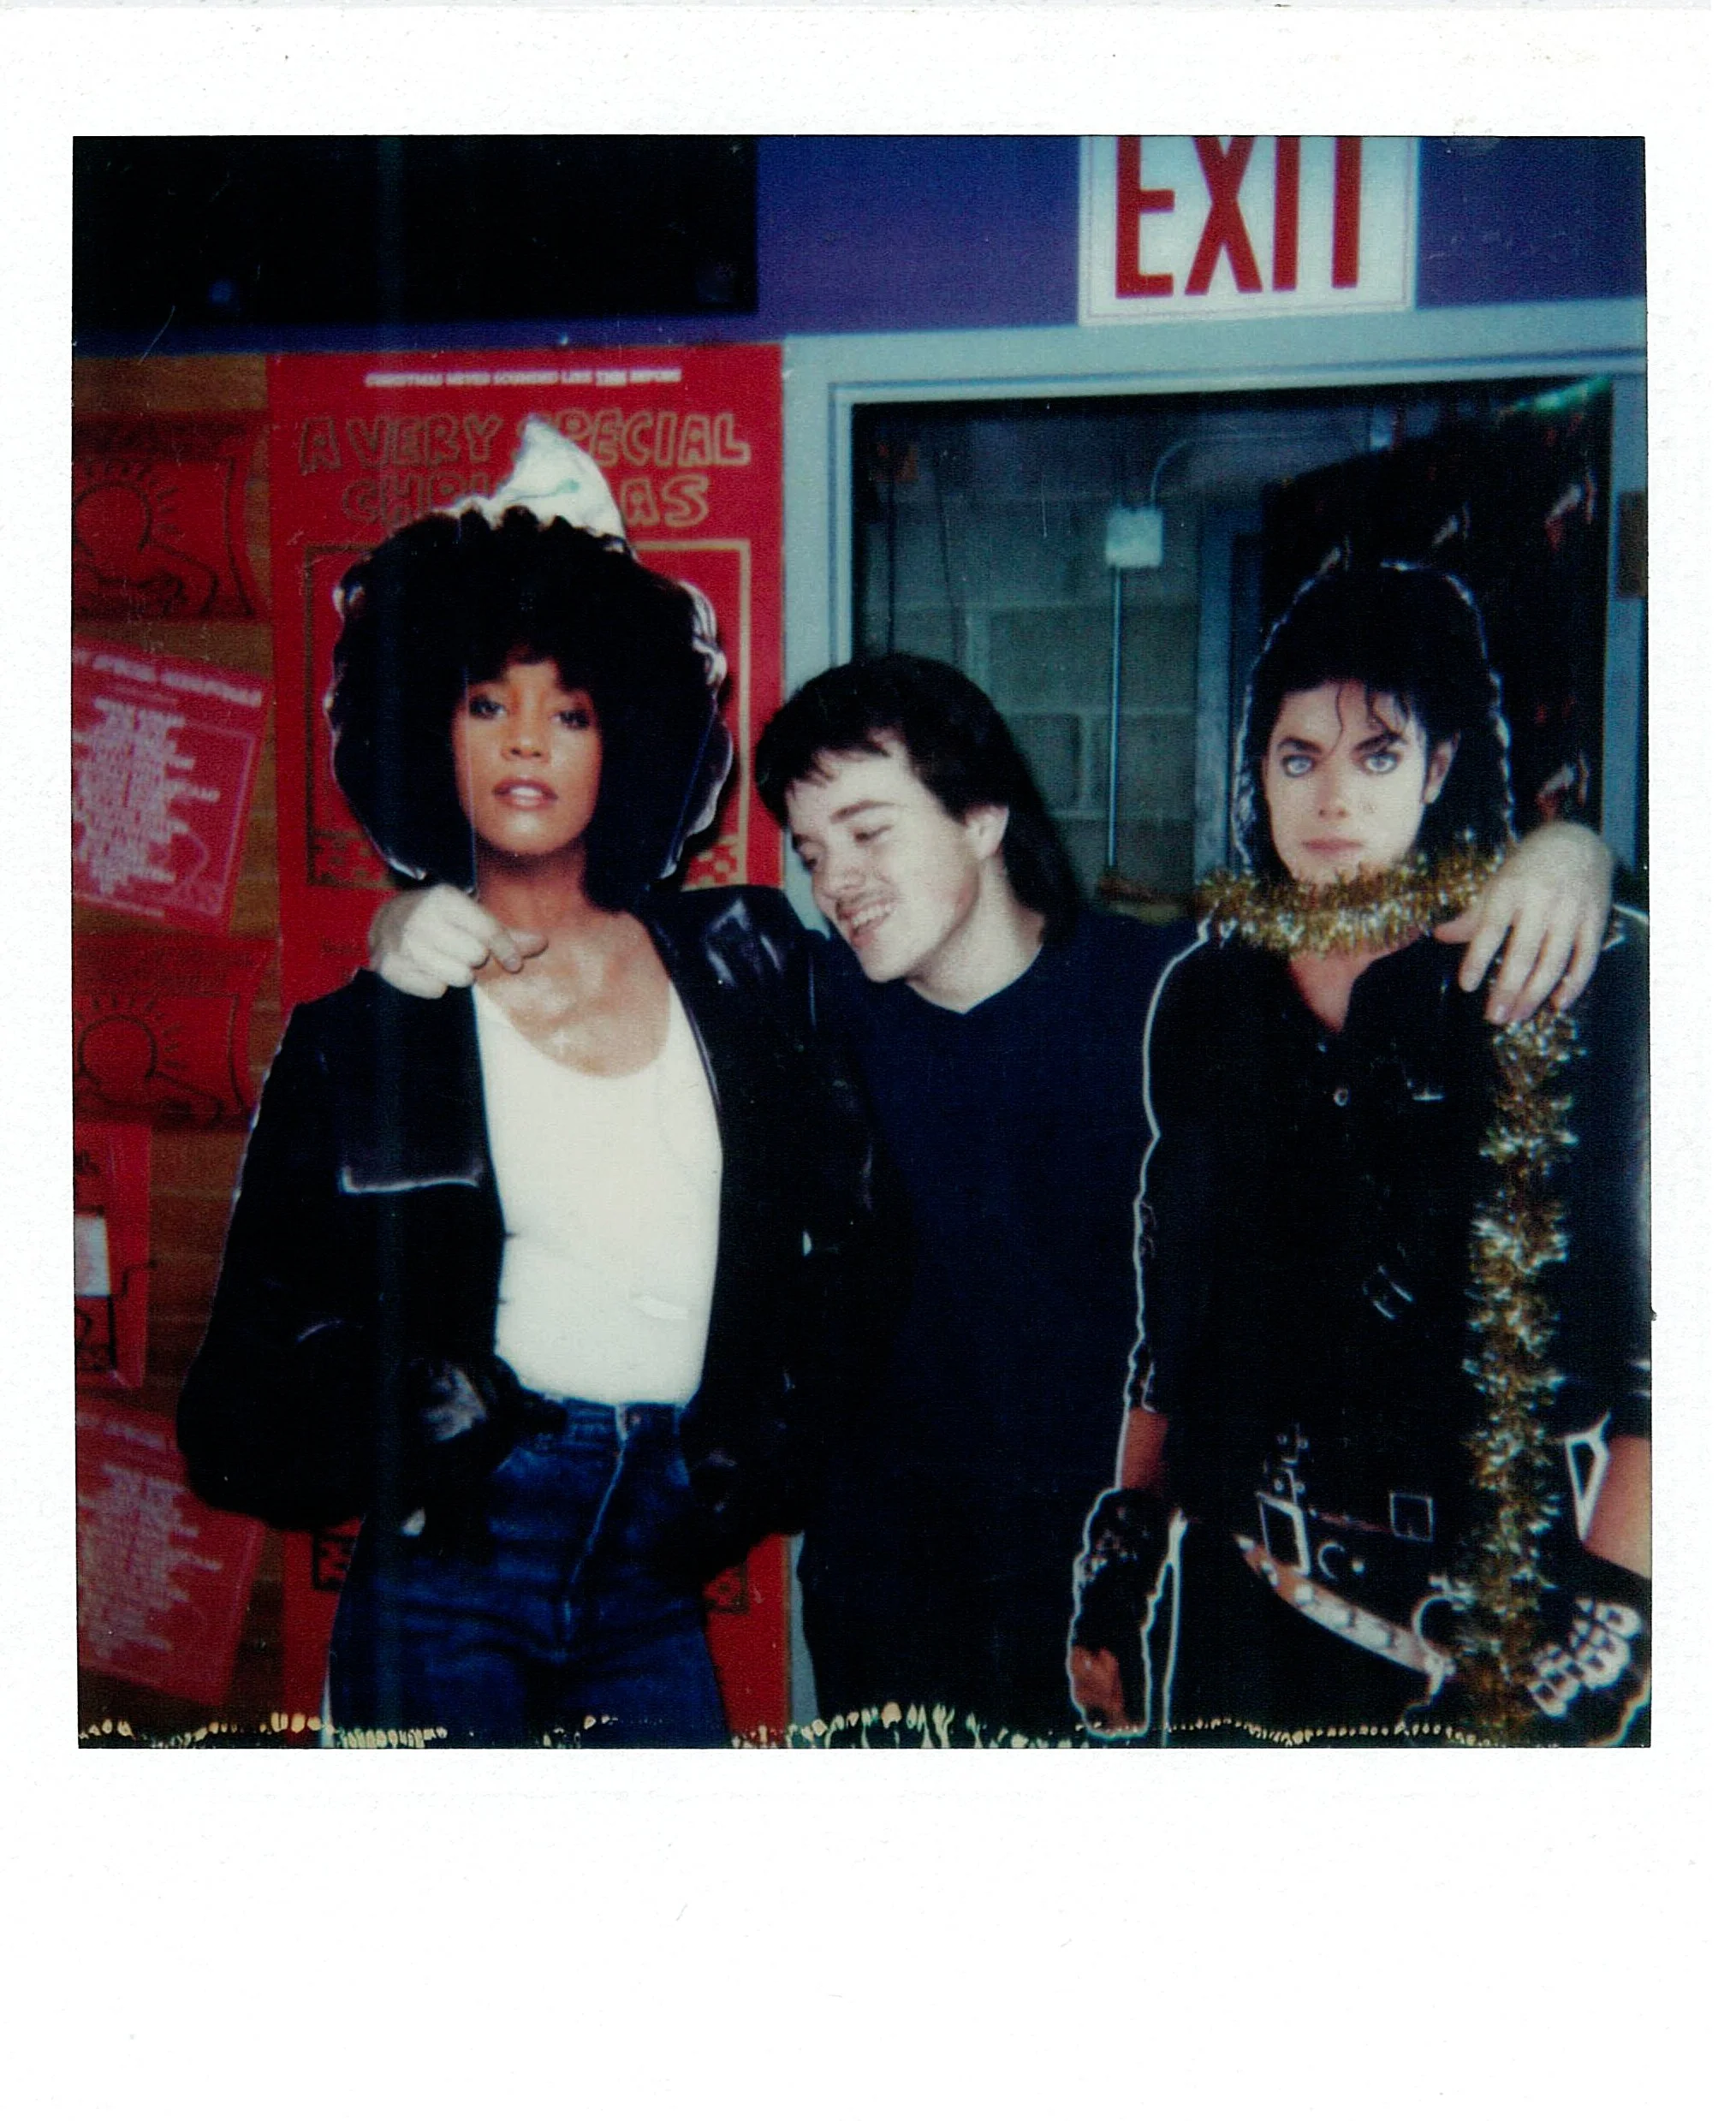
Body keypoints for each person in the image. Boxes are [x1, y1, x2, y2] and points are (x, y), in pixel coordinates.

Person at [374, 644, 1614, 1743]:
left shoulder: (1170, 994)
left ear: (981, 817)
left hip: (1119, 1600)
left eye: (869, 832)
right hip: (885, 1598)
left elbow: (1382, 947)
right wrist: (406, 924)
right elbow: (575, 935)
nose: (836, 879)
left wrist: (1575, 852)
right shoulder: (798, 1002)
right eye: (812, 852)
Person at [179, 424, 877, 1746]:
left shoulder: (741, 965)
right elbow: (232, 1416)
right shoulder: (362, 1036)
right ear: (426, 727)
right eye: (487, 702)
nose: (528, 744)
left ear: (631, 736)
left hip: (655, 1566)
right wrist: (409, 1409)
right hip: (452, 1570)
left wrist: (752, 1464)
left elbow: (851, 1244)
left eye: (573, 710)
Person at [1067, 561, 1649, 1746]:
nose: (1331, 798)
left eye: (1377, 756)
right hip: (1240, 1614)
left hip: (1498, 1637)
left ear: (1439, 767)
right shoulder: (1212, 997)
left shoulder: (1565, 972)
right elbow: (1171, 1332)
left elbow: (1668, 1355)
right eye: (1298, 758)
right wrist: (1122, 1569)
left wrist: (1600, 1634)